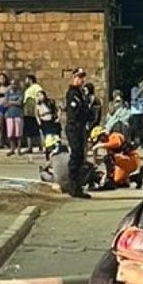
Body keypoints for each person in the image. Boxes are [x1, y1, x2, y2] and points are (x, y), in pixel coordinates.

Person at [63, 68, 98, 197]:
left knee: (80, 158)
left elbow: (87, 112)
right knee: (75, 156)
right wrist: (86, 113)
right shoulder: (72, 93)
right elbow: (75, 113)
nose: (81, 80)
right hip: (74, 127)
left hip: (80, 128)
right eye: (79, 77)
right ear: (74, 77)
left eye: (82, 77)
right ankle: (73, 186)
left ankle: (78, 186)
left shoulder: (80, 94)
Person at [3, 74, 26, 156]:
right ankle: (12, 148)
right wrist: (13, 102)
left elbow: (20, 102)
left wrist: (11, 102)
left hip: (18, 114)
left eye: (15, 84)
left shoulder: (20, 93)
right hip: (9, 114)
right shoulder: (7, 93)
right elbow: (5, 104)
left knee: (18, 133)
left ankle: (19, 148)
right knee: (10, 133)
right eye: (12, 84)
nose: (13, 85)